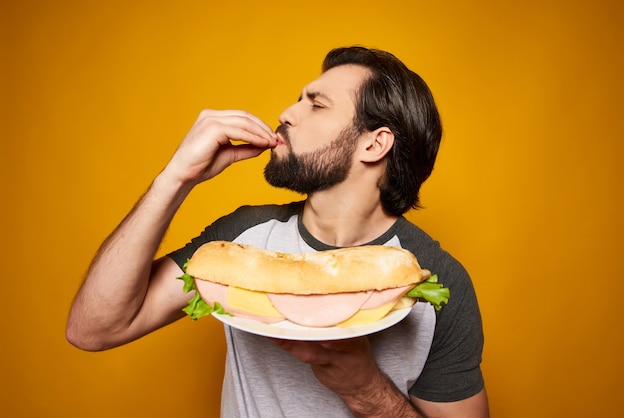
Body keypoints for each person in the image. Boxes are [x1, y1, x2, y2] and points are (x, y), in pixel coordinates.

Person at [66, 46, 488, 417]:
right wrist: (176, 177)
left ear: (374, 145)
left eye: (316, 105)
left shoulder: (436, 278)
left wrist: (367, 393)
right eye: (297, 99)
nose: (287, 113)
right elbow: (94, 329)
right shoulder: (244, 238)